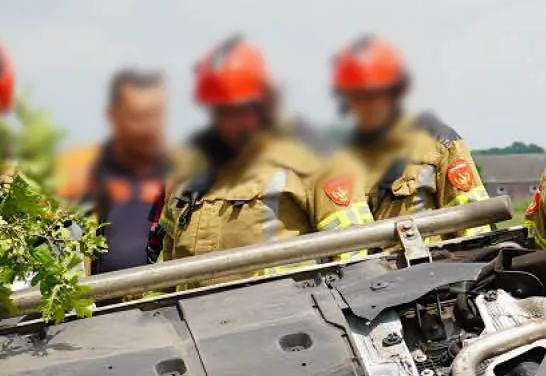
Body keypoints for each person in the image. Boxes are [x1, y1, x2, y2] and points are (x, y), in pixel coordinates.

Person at [154, 36, 330, 260]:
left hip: (290, 296)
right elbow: (165, 273)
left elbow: (355, 256)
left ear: (263, 106)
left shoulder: (311, 164)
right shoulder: (187, 179)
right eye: (221, 112)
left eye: (239, 111)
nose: (230, 124)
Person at [310, 34, 487, 229]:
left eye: (376, 92)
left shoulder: (440, 143)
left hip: (433, 259)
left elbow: (474, 224)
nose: (368, 103)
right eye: (357, 94)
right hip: (366, 260)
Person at [54, 68, 175, 273]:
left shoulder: (181, 177)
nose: (147, 127)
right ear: (113, 115)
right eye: (137, 116)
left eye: (154, 115)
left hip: (162, 301)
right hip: (100, 302)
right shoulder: (82, 174)